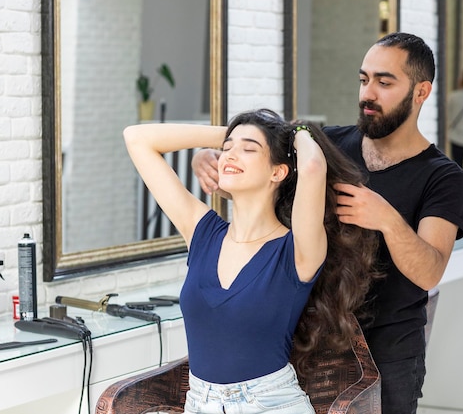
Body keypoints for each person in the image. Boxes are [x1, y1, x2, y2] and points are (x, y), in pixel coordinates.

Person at [191, 33, 463, 414]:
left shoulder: (443, 177)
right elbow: (260, 181)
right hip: (304, 348)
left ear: (421, 92)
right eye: (364, 79)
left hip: (387, 358)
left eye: (384, 82)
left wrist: (387, 219)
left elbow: (430, 271)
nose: (368, 93)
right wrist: (213, 161)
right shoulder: (325, 146)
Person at [123, 109, 378, 414]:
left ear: (278, 172)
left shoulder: (296, 250)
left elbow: (311, 165)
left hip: (270, 404)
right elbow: (137, 139)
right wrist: (232, 133)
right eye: (227, 149)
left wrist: (294, 133)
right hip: (199, 403)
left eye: (248, 149)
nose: (230, 155)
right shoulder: (202, 232)